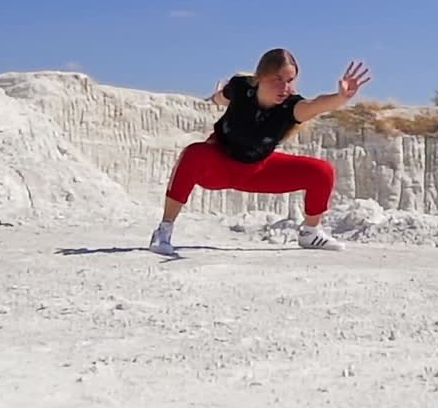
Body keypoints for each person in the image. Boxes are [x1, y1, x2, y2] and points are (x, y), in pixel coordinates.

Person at [149, 49, 372, 256]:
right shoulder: (240, 87)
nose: (285, 88)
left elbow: (316, 104)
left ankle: (310, 233)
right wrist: (214, 97)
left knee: (321, 171)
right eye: (278, 80)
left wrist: (340, 98)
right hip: (219, 166)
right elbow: (220, 98)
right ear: (260, 77)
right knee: (193, 153)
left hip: (256, 171)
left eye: (290, 81)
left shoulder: (291, 107)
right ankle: (164, 231)